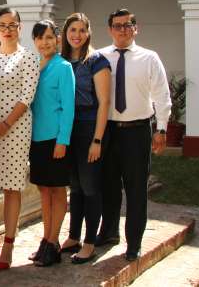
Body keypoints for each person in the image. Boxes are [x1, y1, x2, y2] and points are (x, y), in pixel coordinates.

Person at [97, 8, 170, 262]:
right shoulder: (100, 57)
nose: (123, 29)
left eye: (128, 25)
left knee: (136, 188)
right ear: (110, 29)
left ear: (135, 28)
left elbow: (162, 95)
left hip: (137, 131)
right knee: (109, 186)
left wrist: (161, 128)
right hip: (108, 131)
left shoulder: (149, 58)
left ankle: (134, 243)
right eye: (117, 25)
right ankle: (109, 233)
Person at [0, 7, 40, 270]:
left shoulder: (28, 57)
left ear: (19, 28)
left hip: (16, 128)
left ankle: (10, 243)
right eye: (2, 25)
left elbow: (27, 95)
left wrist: (5, 123)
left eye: (12, 25)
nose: (7, 29)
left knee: (13, 186)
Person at [56, 13, 111, 264]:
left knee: (90, 187)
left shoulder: (96, 61)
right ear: (65, 34)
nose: (76, 34)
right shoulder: (63, 60)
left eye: (81, 30)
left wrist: (97, 140)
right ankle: (73, 237)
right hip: (69, 128)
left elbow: (104, 103)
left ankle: (90, 242)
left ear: (88, 33)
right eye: (72, 30)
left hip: (90, 128)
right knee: (75, 187)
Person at [29, 20, 75, 267]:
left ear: (57, 39)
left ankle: (54, 241)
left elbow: (68, 107)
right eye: (39, 38)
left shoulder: (63, 67)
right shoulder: (34, 66)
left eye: (49, 37)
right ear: (34, 41)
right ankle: (47, 240)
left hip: (55, 140)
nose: (44, 42)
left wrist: (63, 140)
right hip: (36, 139)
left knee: (57, 191)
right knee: (43, 191)